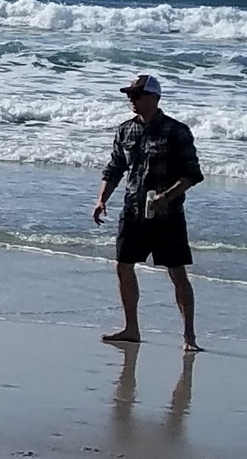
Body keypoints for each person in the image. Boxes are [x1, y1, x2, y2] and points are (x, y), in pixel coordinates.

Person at [92, 74, 205, 352]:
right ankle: (131, 328)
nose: (131, 99)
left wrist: (167, 197)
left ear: (153, 97)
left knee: (177, 272)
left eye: (137, 95)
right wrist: (101, 199)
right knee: (123, 266)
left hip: (168, 216)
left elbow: (192, 173)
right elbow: (115, 168)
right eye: (130, 95)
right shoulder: (125, 130)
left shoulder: (176, 131)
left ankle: (189, 336)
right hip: (132, 211)